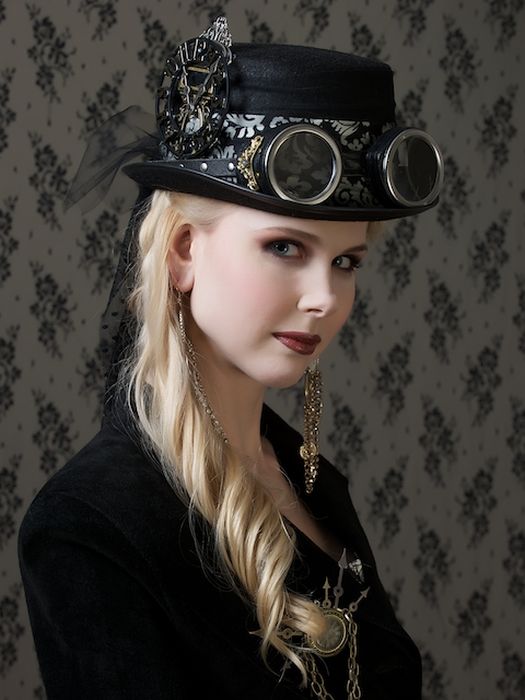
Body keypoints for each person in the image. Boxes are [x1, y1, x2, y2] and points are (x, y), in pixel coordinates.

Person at [18, 17, 443, 700]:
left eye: (346, 262)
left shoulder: (309, 481)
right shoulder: (91, 525)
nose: (324, 298)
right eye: (285, 247)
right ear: (184, 250)